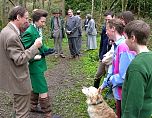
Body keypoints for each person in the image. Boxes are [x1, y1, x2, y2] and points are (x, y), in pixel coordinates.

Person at [0, 6, 42, 118]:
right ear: (18, 17)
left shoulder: (5, 31)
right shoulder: (12, 35)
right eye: (26, 18)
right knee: (22, 113)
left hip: (12, 77)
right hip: (19, 79)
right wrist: (35, 47)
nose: (28, 22)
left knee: (17, 108)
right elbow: (19, 59)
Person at [98, 19, 136, 118]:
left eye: (107, 29)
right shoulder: (116, 45)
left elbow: (125, 77)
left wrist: (110, 80)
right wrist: (104, 84)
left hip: (124, 95)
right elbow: (113, 68)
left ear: (113, 29)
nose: (105, 32)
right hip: (118, 93)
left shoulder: (124, 47)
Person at [22, 9, 54, 118]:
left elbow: (40, 45)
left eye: (45, 21)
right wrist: (33, 58)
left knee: (36, 86)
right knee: (43, 87)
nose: (44, 24)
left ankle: (33, 106)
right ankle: (48, 113)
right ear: (35, 21)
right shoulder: (29, 32)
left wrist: (47, 50)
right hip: (34, 66)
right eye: (42, 22)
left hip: (39, 64)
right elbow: (22, 51)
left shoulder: (37, 29)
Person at [122, 20, 152, 118]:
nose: (124, 41)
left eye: (125, 38)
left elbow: (133, 105)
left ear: (133, 38)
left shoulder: (137, 66)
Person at [94, 11, 114, 88]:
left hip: (112, 57)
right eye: (106, 20)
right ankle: (95, 92)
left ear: (113, 17)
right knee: (98, 74)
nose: (107, 21)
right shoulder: (104, 28)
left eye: (109, 19)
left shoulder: (118, 30)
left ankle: (111, 93)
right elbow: (102, 43)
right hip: (104, 56)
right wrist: (100, 55)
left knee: (110, 76)